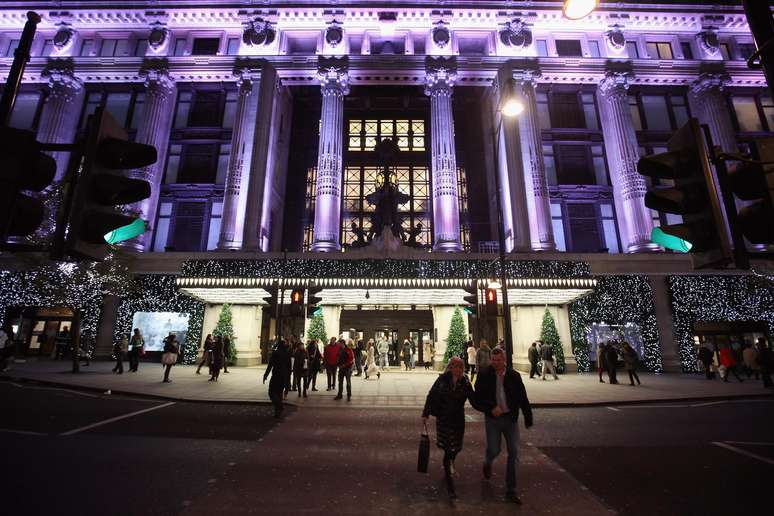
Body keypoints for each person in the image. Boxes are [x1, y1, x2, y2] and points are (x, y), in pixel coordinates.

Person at [474, 347, 533, 505]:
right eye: (493, 360)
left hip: (510, 419)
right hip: (493, 419)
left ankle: (510, 490)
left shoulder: (514, 376)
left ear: (504, 360)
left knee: (514, 453)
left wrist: (528, 416)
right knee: (494, 449)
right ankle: (488, 461)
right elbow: (478, 398)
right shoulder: (484, 374)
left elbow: (522, 397)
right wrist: (491, 408)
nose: (496, 363)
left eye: (498, 360)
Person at [422, 357, 481, 501]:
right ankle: (450, 487)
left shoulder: (465, 382)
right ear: (450, 367)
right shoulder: (442, 380)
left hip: (458, 421)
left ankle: (450, 463)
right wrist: (426, 413)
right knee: (448, 450)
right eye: (455, 367)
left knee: (456, 448)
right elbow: (431, 395)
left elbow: (474, 401)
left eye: (460, 367)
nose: (458, 370)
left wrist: (489, 409)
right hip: (443, 419)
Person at [264, 339, 292, 418]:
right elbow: (289, 367)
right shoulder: (287, 354)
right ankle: (277, 412)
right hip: (283, 376)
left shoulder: (275, 353)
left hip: (276, 375)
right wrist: (288, 378)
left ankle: (279, 406)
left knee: (271, 392)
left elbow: (270, 365)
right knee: (279, 393)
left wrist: (266, 375)